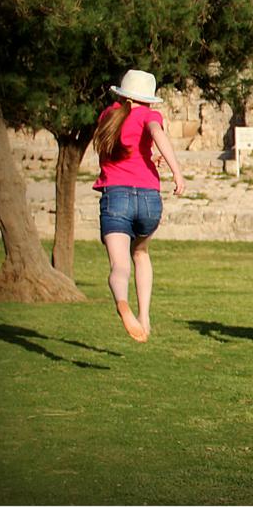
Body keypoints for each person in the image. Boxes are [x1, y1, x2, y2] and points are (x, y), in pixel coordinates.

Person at [93, 69, 185, 342]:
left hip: (115, 196)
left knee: (119, 267)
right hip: (148, 199)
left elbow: (122, 147)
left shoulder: (108, 116)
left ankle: (123, 303)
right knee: (141, 254)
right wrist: (176, 172)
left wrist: (149, 155)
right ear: (148, 98)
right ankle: (144, 316)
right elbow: (156, 134)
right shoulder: (150, 115)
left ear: (122, 94)